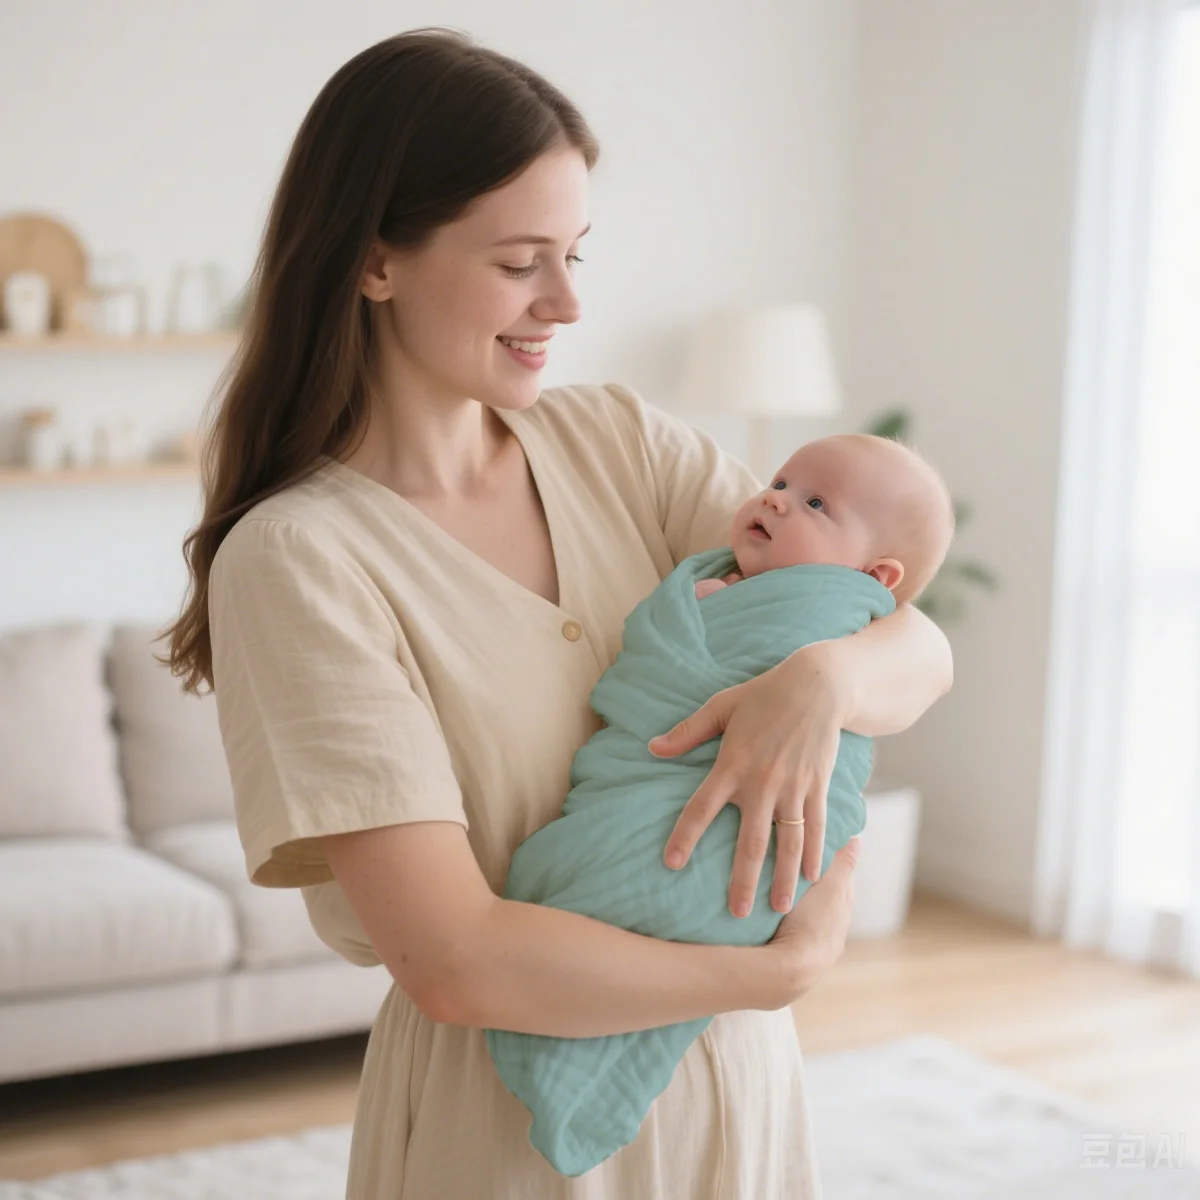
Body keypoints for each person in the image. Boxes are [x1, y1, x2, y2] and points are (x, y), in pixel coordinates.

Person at [164, 28, 953, 1199]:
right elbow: (456, 963)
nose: (569, 302)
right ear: (376, 261)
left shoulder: (618, 443)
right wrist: (773, 973)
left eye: (577, 251)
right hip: (516, 1126)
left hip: (739, 1088)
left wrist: (821, 683)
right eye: (522, 260)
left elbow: (914, 640)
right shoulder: (298, 560)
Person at [694, 432, 955, 600]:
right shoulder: (726, 572)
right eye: (780, 484)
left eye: (815, 503)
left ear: (872, 577)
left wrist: (714, 608)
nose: (773, 498)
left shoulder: (828, 629)